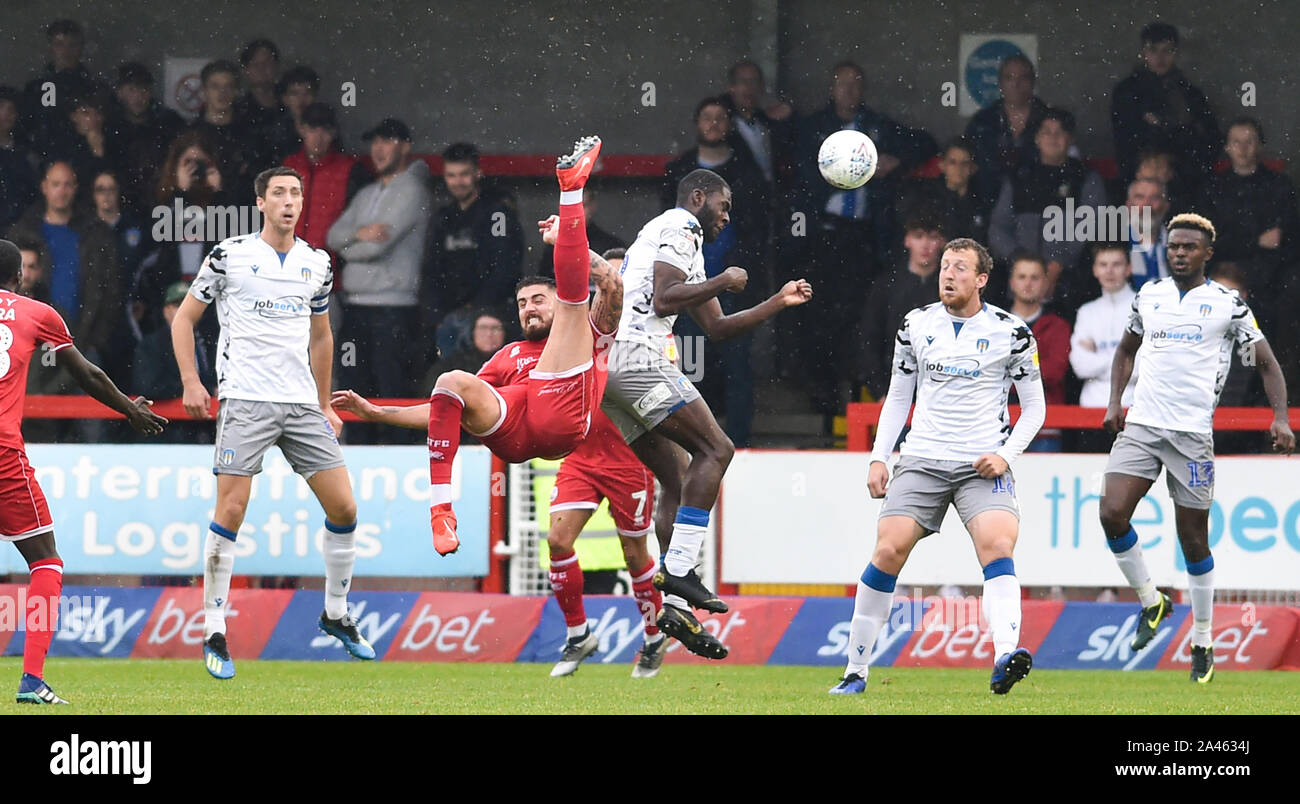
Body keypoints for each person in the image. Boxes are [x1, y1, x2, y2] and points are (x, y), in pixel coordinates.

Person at [334, 137, 616, 552]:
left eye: (538, 300)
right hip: (515, 436)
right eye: (522, 305)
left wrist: (572, 244)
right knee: (452, 380)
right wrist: (377, 412)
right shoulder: (510, 354)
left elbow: (611, 285)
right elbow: (445, 411)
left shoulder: (587, 330)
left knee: (575, 310)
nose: (529, 310)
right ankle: (441, 513)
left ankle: (570, 190)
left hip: (564, 425)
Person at [171, 166, 372, 680]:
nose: (289, 201)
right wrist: (193, 383)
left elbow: (322, 337)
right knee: (232, 510)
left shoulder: (317, 263)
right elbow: (184, 319)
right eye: (279, 193)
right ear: (260, 201)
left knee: (345, 507)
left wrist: (325, 403)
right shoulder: (230, 255)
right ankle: (214, 628)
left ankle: (335, 614)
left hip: (302, 404)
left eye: (296, 193)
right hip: (244, 400)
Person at [601, 167, 812, 636]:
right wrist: (724, 278)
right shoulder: (682, 225)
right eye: (724, 205)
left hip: (610, 372)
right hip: (637, 356)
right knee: (718, 449)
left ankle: (675, 603)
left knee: (677, 481)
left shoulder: (676, 239)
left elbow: (716, 329)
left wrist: (777, 300)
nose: (727, 217)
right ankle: (679, 570)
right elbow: (663, 299)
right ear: (698, 197)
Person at [830, 237, 1045, 697]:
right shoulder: (916, 325)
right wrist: (878, 456)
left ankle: (1007, 653)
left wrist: (1005, 456)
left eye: (960, 268)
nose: (948, 274)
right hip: (923, 458)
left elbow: (1035, 408)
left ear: (981, 279)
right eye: (946, 266)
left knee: (998, 545)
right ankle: (854, 671)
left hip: (981, 463)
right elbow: (897, 396)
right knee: (888, 550)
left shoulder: (1013, 332)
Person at [1098, 213, 1293, 685]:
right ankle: (1152, 601)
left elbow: (1267, 363)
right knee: (1111, 513)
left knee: (1193, 541)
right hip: (1143, 425)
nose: (1179, 253)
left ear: (1207, 253)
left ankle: (1203, 638)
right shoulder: (1150, 296)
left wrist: (1281, 417)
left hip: (1191, 438)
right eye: (1173, 246)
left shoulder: (1228, 304)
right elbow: (1126, 350)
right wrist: (1115, 400)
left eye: (1189, 247)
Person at [0, 238, 166, 704]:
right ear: (19, 277)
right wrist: (129, 410)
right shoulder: (37, 313)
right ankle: (32, 679)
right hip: (3, 455)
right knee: (46, 561)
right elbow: (87, 374)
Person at [663, 96, 770, 447]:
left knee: (738, 370)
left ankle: (737, 444)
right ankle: (694, 443)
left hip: (732, 291)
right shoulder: (677, 171)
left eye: (720, 118)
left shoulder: (747, 172)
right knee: (690, 370)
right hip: (686, 294)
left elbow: (759, 232)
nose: (713, 124)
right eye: (706, 117)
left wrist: (742, 276)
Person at [325, 118, 430, 441]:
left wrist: (350, 247)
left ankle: (399, 463)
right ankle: (361, 465)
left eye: (388, 141)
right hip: (357, 308)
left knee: (391, 392)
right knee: (356, 391)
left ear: (405, 146)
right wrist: (358, 234)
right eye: (375, 142)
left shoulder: (412, 189)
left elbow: (376, 247)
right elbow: (332, 236)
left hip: (393, 309)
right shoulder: (369, 191)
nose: (379, 149)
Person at [988, 107, 1105, 309]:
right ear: (1036, 138)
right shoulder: (1018, 177)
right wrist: (1019, 260)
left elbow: (1092, 223)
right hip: (1021, 283)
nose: (1053, 138)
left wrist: (1058, 263)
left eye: (1059, 132)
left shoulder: (1085, 178)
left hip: (1070, 285)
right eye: (1046, 132)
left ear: (1070, 139)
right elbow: (998, 227)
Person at [421, 142, 524, 361]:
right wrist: (436, 315)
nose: (458, 182)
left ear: (478, 173)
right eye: (451, 175)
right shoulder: (443, 216)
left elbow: (507, 267)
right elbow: (430, 268)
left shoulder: (497, 212)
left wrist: (479, 308)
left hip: (490, 315)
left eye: (464, 174)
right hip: (450, 318)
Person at [1110, 22, 1220, 188]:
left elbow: (1211, 138)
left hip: (1186, 182)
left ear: (1176, 53)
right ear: (1144, 53)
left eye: (1167, 50)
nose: (1160, 58)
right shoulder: (1127, 92)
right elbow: (1126, 139)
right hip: (1140, 181)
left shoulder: (1190, 94)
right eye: (1153, 50)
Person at [859, 214, 945, 400]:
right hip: (895, 385)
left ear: (941, 242)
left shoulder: (952, 286)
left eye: (932, 237)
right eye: (918, 236)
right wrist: (879, 391)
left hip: (943, 389)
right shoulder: (886, 285)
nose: (925, 245)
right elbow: (869, 339)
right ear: (907, 240)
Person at [1069, 244, 1138, 451]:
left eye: (1116, 264)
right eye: (1103, 264)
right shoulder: (1087, 311)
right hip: (1091, 412)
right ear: (1095, 270)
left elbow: (1145, 367)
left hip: (1133, 409)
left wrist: (1098, 357)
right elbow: (1080, 366)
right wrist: (1124, 357)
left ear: (1128, 269)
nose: (1109, 271)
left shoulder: (1143, 305)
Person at [134, 281, 216, 444]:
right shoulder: (152, 344)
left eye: (189, 303)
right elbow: (147, 388)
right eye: (178, 304)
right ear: (166, 311)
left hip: (208, 433)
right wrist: (194, 389)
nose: (185, 309)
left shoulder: (209, 341)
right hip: (168, 434)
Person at [964, 53, 1050, 202]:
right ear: (1000, 83)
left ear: (1033, 82)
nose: (1016, 84)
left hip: (1037, 207)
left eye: (1023, 78)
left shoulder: (1049, 120)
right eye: (1009, 77)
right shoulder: (982, 122)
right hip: (987, 207)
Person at [1006, 254, 1070, 452]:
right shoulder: (995, 324)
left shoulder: (1058, 326)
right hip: (1000, 422)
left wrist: (1009, 375)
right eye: (1022, 276)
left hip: (1045, 427)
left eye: (1035, 277)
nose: (1028, 283)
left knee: (1040, 483)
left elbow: (1055, 371)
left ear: (1045, 283)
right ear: (1011, 282)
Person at [105, 62, 184, 208]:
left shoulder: (168, 124)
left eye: (144, 90)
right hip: (121, 205)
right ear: (119, 92)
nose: (138, 96)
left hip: (161, 202)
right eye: (132, 90)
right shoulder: (109, 128)